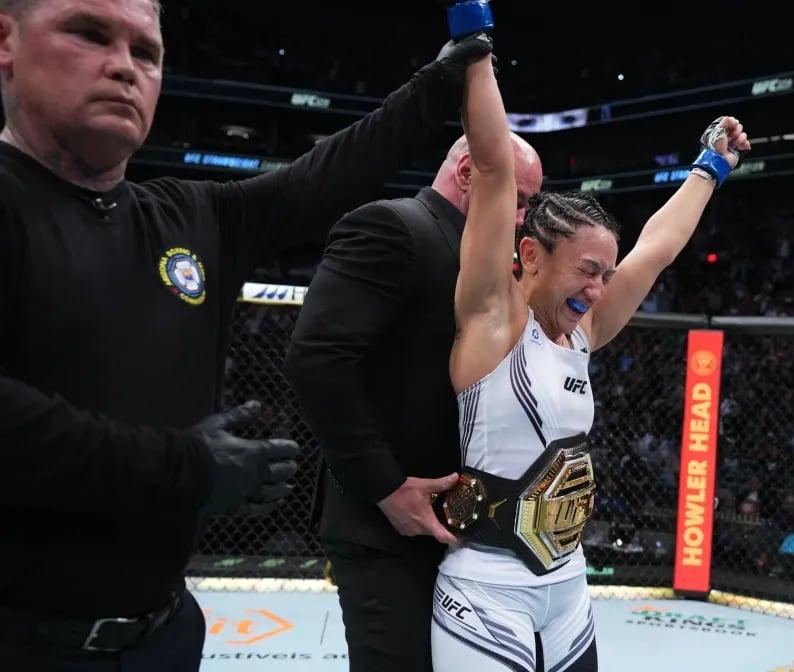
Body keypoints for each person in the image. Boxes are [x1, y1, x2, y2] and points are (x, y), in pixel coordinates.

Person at [0, 0, 491, 669]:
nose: (123, 67)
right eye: (89, 34)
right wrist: (187, 468)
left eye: (146, 53)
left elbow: (320, 182)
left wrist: (436, 87)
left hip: (163, 633)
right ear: (6, 41)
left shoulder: (183, 216)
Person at [428, 52, 750, 671]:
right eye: (586, 271)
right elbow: (493, 166)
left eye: (605, 273)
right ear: (531, 254)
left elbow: (656, 248)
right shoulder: (493, 323)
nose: (599, 289)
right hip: (488, 591)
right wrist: (475, 50)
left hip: (569, 588)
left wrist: (710, 167)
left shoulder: (583, 331)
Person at [284, 79, 543, 672]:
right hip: (386, 528)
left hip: (466, 533)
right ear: (466, 173)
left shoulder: (498, 269)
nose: (522, 214)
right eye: (518, 195)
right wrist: (385, 486)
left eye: (528, 202)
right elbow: (318, 358)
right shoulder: (392, 227)